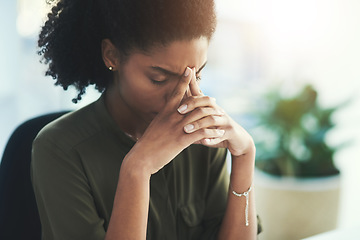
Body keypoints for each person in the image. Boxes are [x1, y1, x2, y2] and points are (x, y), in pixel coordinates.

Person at [31, 0, 261, 239]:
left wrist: (245, 155)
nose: (183, 96)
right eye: (159, 78)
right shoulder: (60, 150)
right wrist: (137, 169)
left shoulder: (201, 136)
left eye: (196, 75)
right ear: (112, 56)